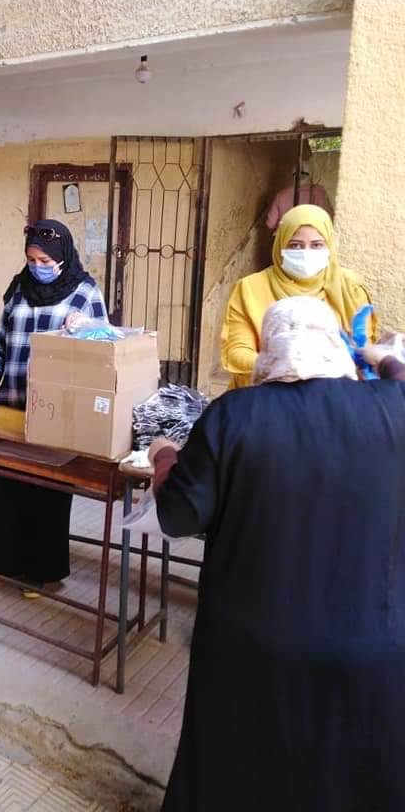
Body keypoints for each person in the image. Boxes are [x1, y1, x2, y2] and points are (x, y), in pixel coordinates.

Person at [150, 297, 405, 812]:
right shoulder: (393, 409)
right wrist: (385, 359)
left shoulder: (234, 415)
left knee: (240, 772)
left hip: (252, 646)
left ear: (270, 347)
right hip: (371, 643)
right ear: (336, 346)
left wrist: (164, 457)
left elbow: (179, 516)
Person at [0, 219, 107, 595]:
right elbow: (0, 340)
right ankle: (0, 560)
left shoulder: (85, 292)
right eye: (32, 259)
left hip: (57, 411)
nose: (38, 267)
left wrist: (84, 329)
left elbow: (105, 345)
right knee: (7, 481)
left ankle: (43, 570)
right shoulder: (19, 288)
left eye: (45, 260)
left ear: (62, 256)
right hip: (14, 402)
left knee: (48, 487)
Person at [221, 203, 375, 387]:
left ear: (330, 246)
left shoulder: (350, 288)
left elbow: (365, 351)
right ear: (280, 244)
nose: (305, 253)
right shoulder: (250, 288)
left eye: (317, 245)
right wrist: (284, 368)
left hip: (333, 393)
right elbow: (236, 353)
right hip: (267, 391)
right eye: (295, 245)